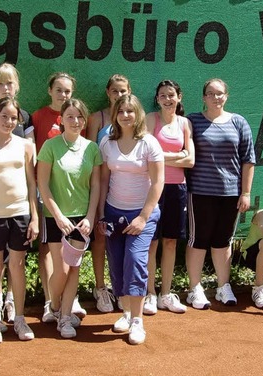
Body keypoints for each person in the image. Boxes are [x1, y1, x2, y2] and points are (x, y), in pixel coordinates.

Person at [98, 94, 164, 345]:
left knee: (135, 261)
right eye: (121, 111)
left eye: (130, 111)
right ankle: (126, 313)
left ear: (138, 115)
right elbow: (104, 180)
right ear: (115, 115)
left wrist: (143, 217)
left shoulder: (149, 143)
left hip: (142, 215)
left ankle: (138, 321)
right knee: (116, 264)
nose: (126, 115)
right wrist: (102, 214)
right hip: (114, 213)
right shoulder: (107, 143)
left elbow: (158, 183)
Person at [185, 78, 255, 309]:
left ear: (226, 96)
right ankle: (194, 288)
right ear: (203, 97)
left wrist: (245, 193)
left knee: (223, 241)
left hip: (230, 194)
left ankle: (223, 286)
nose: (216, 97)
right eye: (211, 93)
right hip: (200, 192)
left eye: (220, 93)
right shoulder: (192, 121)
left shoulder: (239, 122)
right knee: (198, 240)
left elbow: (248, 160)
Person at [0, 97, 39, 344]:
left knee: (17, 266)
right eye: (4, 117)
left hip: (20, 215)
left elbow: (32, 185)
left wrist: (34, 218)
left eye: (14, 118)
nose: (9, 122)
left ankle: (20, 319)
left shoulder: (26, 146)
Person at [38, 98, 101, 338]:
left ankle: (64, 317)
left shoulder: (91, 148)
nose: (75, 121)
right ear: (61, 119)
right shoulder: (50, 146)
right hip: (55, 217)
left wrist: (90, 216)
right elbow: (42, 184)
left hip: (81, 218)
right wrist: (57, 215)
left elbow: (96, 185)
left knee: (74, 268)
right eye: (70, 117)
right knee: (62, 269)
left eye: (80, 117)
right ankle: (54, 306)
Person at [32, 72, 86, 322]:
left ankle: (66, 302)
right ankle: (50, 301)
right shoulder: (39, 117)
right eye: (59, 90)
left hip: (74, 201)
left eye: (68, 91)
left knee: (70, 262)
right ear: (50, 90)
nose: (63, 94)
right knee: (48, 251)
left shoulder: (79, 125)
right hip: (47, 196)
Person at [144, 80, 194, 314]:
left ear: (179, 97)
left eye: (171, 95)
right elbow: (145, 154)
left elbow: (191, 160)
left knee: (171, 242)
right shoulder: (150, 119)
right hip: (153, 187)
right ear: (157, 99)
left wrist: (161, 156)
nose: (167, 99)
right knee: (152, 243)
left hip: (178, 189)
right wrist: (176, 155)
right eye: (162, 95)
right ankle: (150, 294)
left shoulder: (185, 123)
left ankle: (165, 293)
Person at [86, 74, 131, 313]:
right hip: (101, 187)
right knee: (101, 236)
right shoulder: (96, 119)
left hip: (126, 189)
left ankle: (121, 288)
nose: (119, 95)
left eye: (123, 91)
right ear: (107, 92)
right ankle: (101, 288)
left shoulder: (133, 119)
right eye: (115, 91)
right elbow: (91, 157)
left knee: (122, 240)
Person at [0, 62, 33, 142]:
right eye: (0, 83)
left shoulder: (25, 116)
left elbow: (31, 148)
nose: (5, 88)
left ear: (16, 85)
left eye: (9, 83)